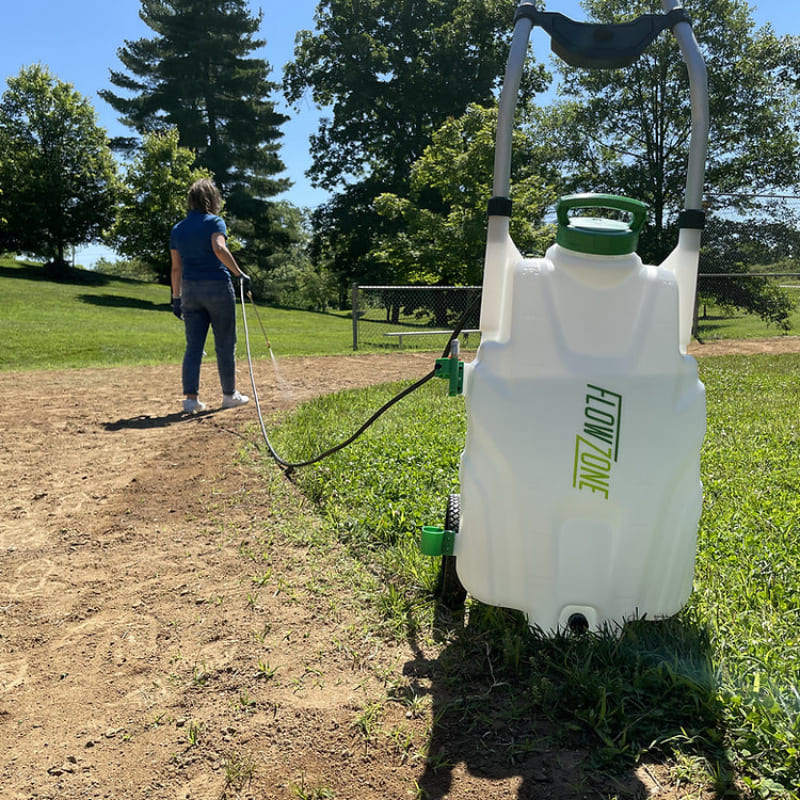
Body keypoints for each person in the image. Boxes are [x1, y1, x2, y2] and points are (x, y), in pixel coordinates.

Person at [170, 178, 250, 414]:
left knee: (193, 346)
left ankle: (191, 400)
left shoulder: (178, 228)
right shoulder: (215, 222)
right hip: (216, 287)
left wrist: (176, 298)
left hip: (190, 291)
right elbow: (219, 248)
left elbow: (176, 268)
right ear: (212, 199)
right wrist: (240, 273)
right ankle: (229, 395)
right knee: (225, 344)